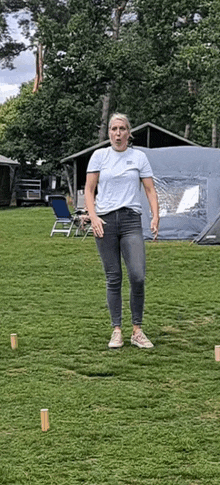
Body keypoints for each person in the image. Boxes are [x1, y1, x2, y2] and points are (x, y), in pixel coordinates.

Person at [84, 113, 159, 349]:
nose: (118, 133)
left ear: (129, 132)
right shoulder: (99, 156)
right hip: (105, 222)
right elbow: (89, 190)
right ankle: (116, 330)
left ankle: (137, 330)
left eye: (122, 129)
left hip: (130, 221)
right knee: (113, 277)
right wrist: (93, 216)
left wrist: (156, 215)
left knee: (137, 275)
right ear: (109, 132)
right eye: (114, 129)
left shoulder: (138, 157)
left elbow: (149, 190)